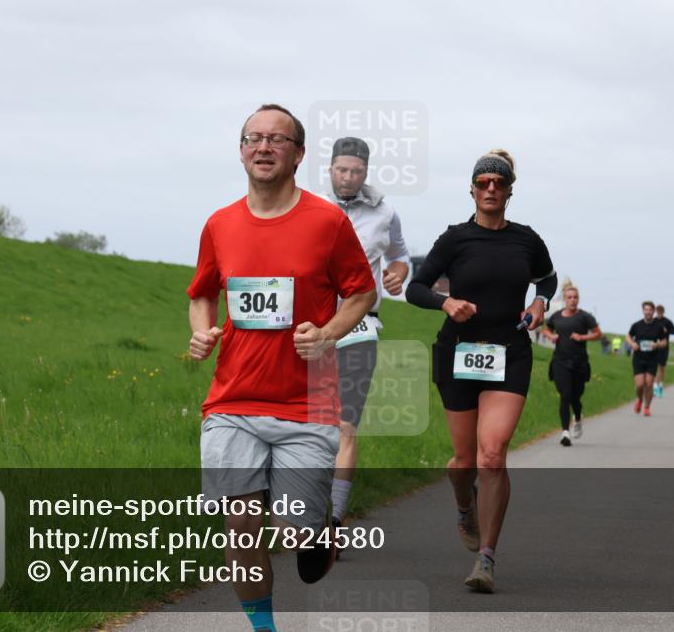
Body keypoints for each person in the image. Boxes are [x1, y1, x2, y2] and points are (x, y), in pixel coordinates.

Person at [187, 104, 377, 632]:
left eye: (277, 139)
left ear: (298, 154)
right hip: (233, 401)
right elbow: (202, 294)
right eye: (254, 138)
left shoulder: (327, 221)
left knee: (294, 534)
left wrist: (328, 333)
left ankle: (321, 530)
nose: (264, 146)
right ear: (241, 150)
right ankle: (264, 628)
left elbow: (361, 292)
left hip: (307, 403)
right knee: (241, 528)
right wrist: (201, 331)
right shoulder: (220, 225)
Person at [406, 148, 557, 593]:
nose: (491, 188)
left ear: (510, 191)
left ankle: (486, 559)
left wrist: (539, 303)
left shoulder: (527, 240)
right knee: (463, 461)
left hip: (509, 350)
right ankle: (463, 508)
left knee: (492, 453)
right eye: (483, 182)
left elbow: (546, 279)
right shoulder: (455, 238)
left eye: (499, 182)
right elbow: (415, 287)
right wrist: (446, 302)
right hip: (458, 352)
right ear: (471, 189)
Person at [323, 136, 410, 543]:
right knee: (302, 424)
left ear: (366, 172)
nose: (348, 177)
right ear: (330, 169)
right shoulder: (309, 207)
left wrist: (399, 272)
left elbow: (400, 254)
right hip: (313, 327)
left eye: (356, 171)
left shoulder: (384, 211)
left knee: (345, 425)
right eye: (342, 169)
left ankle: (334, 521)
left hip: (360, 327)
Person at [542, 282, 602, 446]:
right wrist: (551, 336)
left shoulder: (585, 317)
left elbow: (598, 334)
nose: (572, 300)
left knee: (576, 397)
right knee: (565, 395)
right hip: (560, 362)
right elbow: (545, 329)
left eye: (575, 297)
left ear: (578, 299)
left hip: (580, 363)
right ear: (565, 299)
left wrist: (583, 337)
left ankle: (577, 417)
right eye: (569, 297)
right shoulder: (557, 316)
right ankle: (565, 433)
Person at [625, 301, 668, 416]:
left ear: (653, 311)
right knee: (639, 385)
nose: (648, 312)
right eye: (646, 310)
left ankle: (647, 407)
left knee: (649, 384)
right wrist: (632, 344)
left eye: (650, 310)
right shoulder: (636, 325)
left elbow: (664, 342)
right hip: (638, 358)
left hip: (652, 358)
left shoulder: (659, 326)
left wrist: (657, 345)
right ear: (643, 311)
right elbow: (628, 336)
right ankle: (639, 399)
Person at [652, 305, 674, 397]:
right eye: (657, 311)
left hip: (664, 347)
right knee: (655, 367)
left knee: (662, 368)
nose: (659, 313)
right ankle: (655, 387)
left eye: (661, 312)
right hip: (654, 347)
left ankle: (661, 386)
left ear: (663, 312)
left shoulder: (667, 321)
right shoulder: (653, 321)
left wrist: (667, 331)